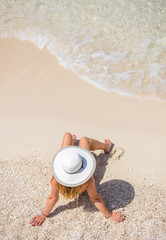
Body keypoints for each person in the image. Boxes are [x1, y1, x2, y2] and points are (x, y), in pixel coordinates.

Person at [30, 132, 125, 226]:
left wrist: (43, 215)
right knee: (84, 140)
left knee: (67, 135)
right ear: (83, 167)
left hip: (70, 174)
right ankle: (106, 147)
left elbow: (52, 199)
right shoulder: (87, 181)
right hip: (80, 181)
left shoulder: (56, 180)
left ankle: (73, 141)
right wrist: (108, 215)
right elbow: (95, 198)